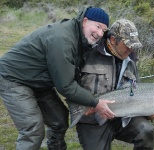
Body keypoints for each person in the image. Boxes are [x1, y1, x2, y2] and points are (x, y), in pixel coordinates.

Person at [0, 6, 115, 150]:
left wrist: (87, 101)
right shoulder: (63, 39)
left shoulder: (81, 39)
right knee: (33, 130)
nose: (99, 33)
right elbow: (65, 86)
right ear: (85, 21)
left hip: (38, 81)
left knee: (59, 120)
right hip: (13, 77)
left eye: (103, 30)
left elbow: (72, 75)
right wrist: (94, 102)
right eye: (97, 26)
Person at [75, 19, 154, 150]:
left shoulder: (131, 62)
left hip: (122, 118)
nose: (131, 48)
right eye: (127, 44)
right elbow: (69, 85)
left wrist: (149, 114)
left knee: (146, 130)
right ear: (113, 40)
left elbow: (136, 96)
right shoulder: (87, 54)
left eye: (133, 45)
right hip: (93, 120)